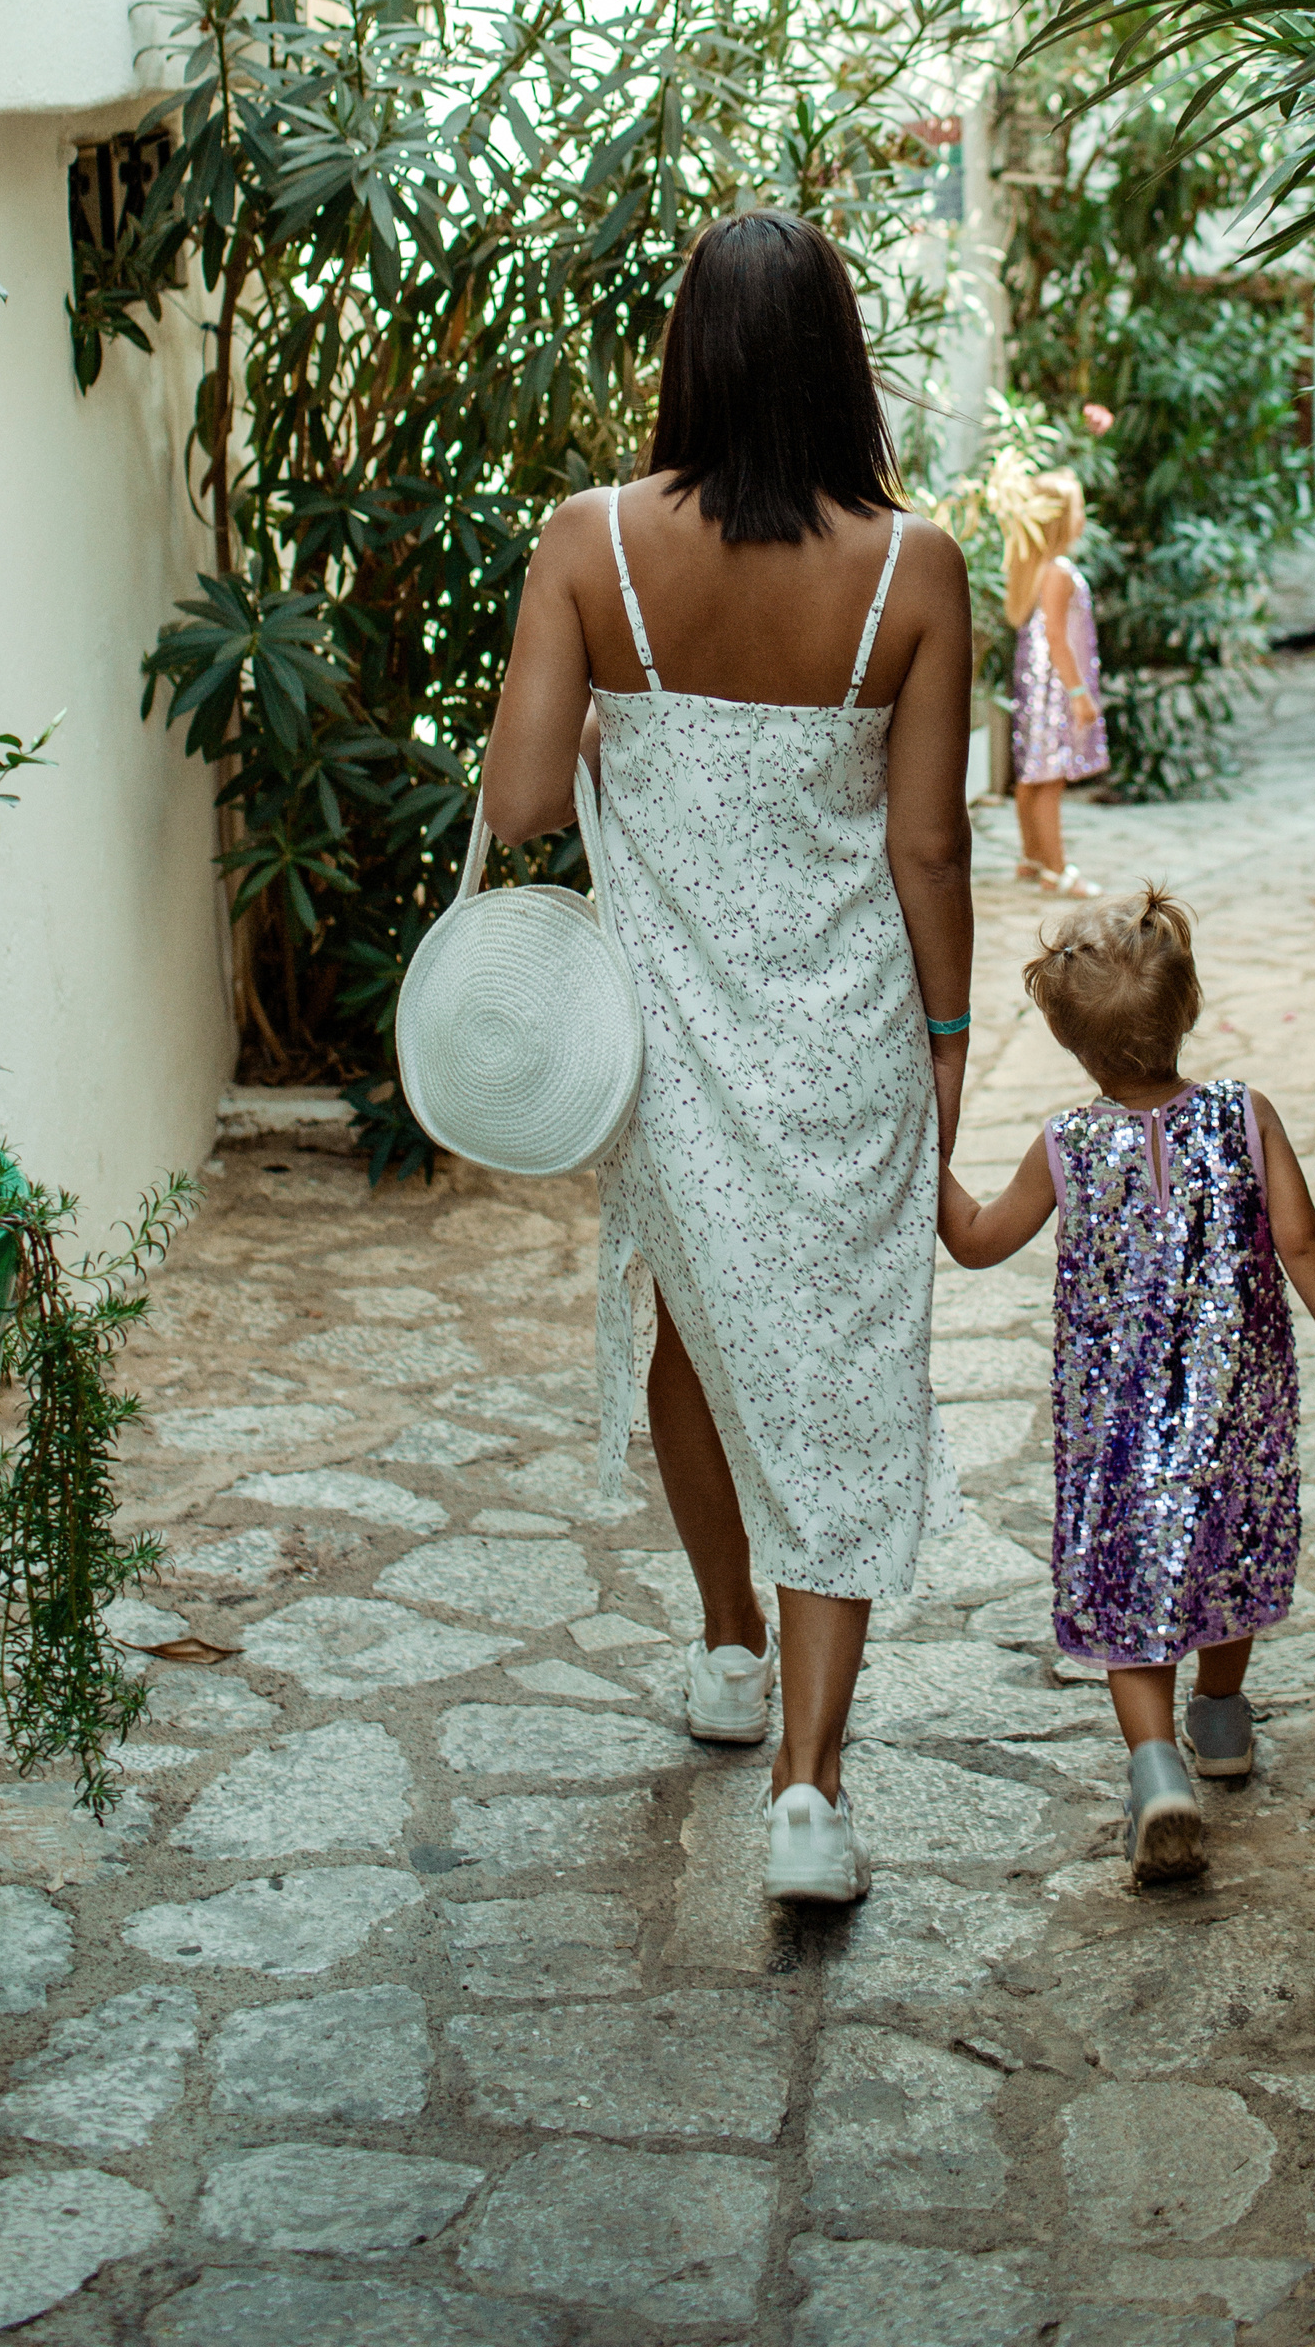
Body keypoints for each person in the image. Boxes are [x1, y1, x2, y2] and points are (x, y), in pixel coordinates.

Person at [480, 210, 974, 1904]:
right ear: (842, 361)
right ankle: (814, 1794)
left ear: (686, 354)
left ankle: (721, 1645)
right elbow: (928, 853)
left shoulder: (586, 544)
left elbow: (525, 806)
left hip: (671, 1040)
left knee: (692, 1324)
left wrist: (623, 721)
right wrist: (953, 1047)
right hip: (847, 1035)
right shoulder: (914, 570)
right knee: (835, 1367)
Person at [937, 886, 1315, 1883]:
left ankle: (1156, 1771)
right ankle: (1221, 1724)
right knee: (1223, 1548)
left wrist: (920, 1157)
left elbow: (974, 1242)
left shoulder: (1064, 1144)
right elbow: (1301, 1240)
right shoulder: (1244, 1114)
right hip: (1236, 1410)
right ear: (1187, 1008)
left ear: (1068, 1042)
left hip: (1115, 1429)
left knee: (1128, 1576)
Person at [1003, 467, 1105, 896]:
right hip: (1054, 686)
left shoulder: (1034, 568)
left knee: (1031, 775)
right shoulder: (1058, 570)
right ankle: (1058, 870)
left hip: (1033, 681)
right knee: (1050, 778)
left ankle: (1032, 857)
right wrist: (1079, 695)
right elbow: (1058, 639)